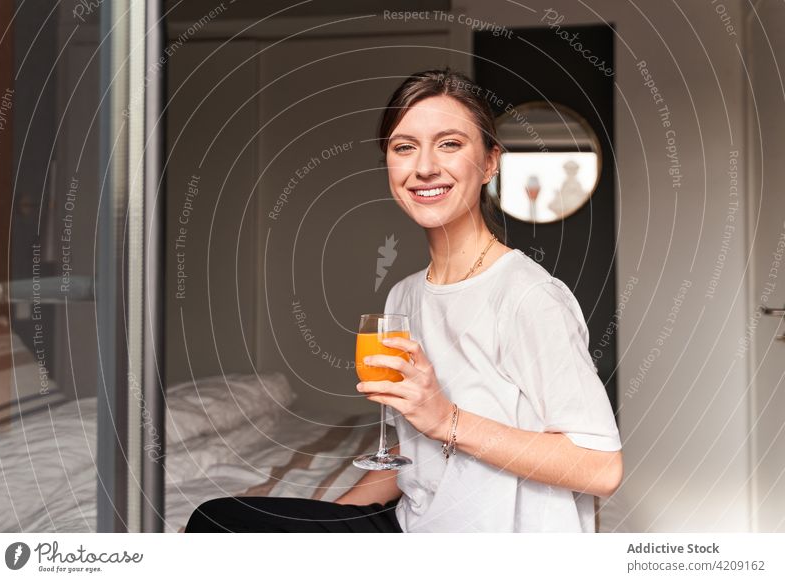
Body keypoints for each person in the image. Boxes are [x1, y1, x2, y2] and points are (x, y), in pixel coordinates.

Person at [184, 67, 622, 533]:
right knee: (216, 521)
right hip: (413, 525)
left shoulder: (528, 297)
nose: (425, 166)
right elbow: (416, 452)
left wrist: (445, 419)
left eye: (450, 144)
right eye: (404, 147)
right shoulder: (404, 295)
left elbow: (600, 468)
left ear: (491, 162)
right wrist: (334, 520)